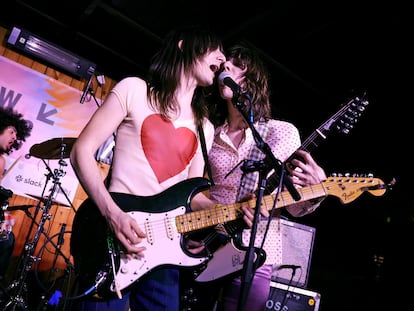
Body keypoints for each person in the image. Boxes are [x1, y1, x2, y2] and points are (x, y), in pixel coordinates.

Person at [69, 25, 230, 311]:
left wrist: (232, 212)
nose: (222, 58)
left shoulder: (204, 126)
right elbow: (81, 151)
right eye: (214, 49)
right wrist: (113, 215)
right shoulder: (135, 89)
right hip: (114, 233)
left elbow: (190, 196)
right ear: (184, 45)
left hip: (164, 250)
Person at [191, 42, 327, 311]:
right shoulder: (208, 133)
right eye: (224, 63)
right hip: (209, 242)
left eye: (237, 64)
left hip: (259, 253)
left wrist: (316, 192)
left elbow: (294, 207)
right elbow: (194, 189)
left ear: (253, 80)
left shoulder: (282, 133)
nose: (225, 66)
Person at [0, 107, 32, 284]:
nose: (14, 137)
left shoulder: (1, 161)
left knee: (7, 238)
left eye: (16, 136)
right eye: (11, 131)